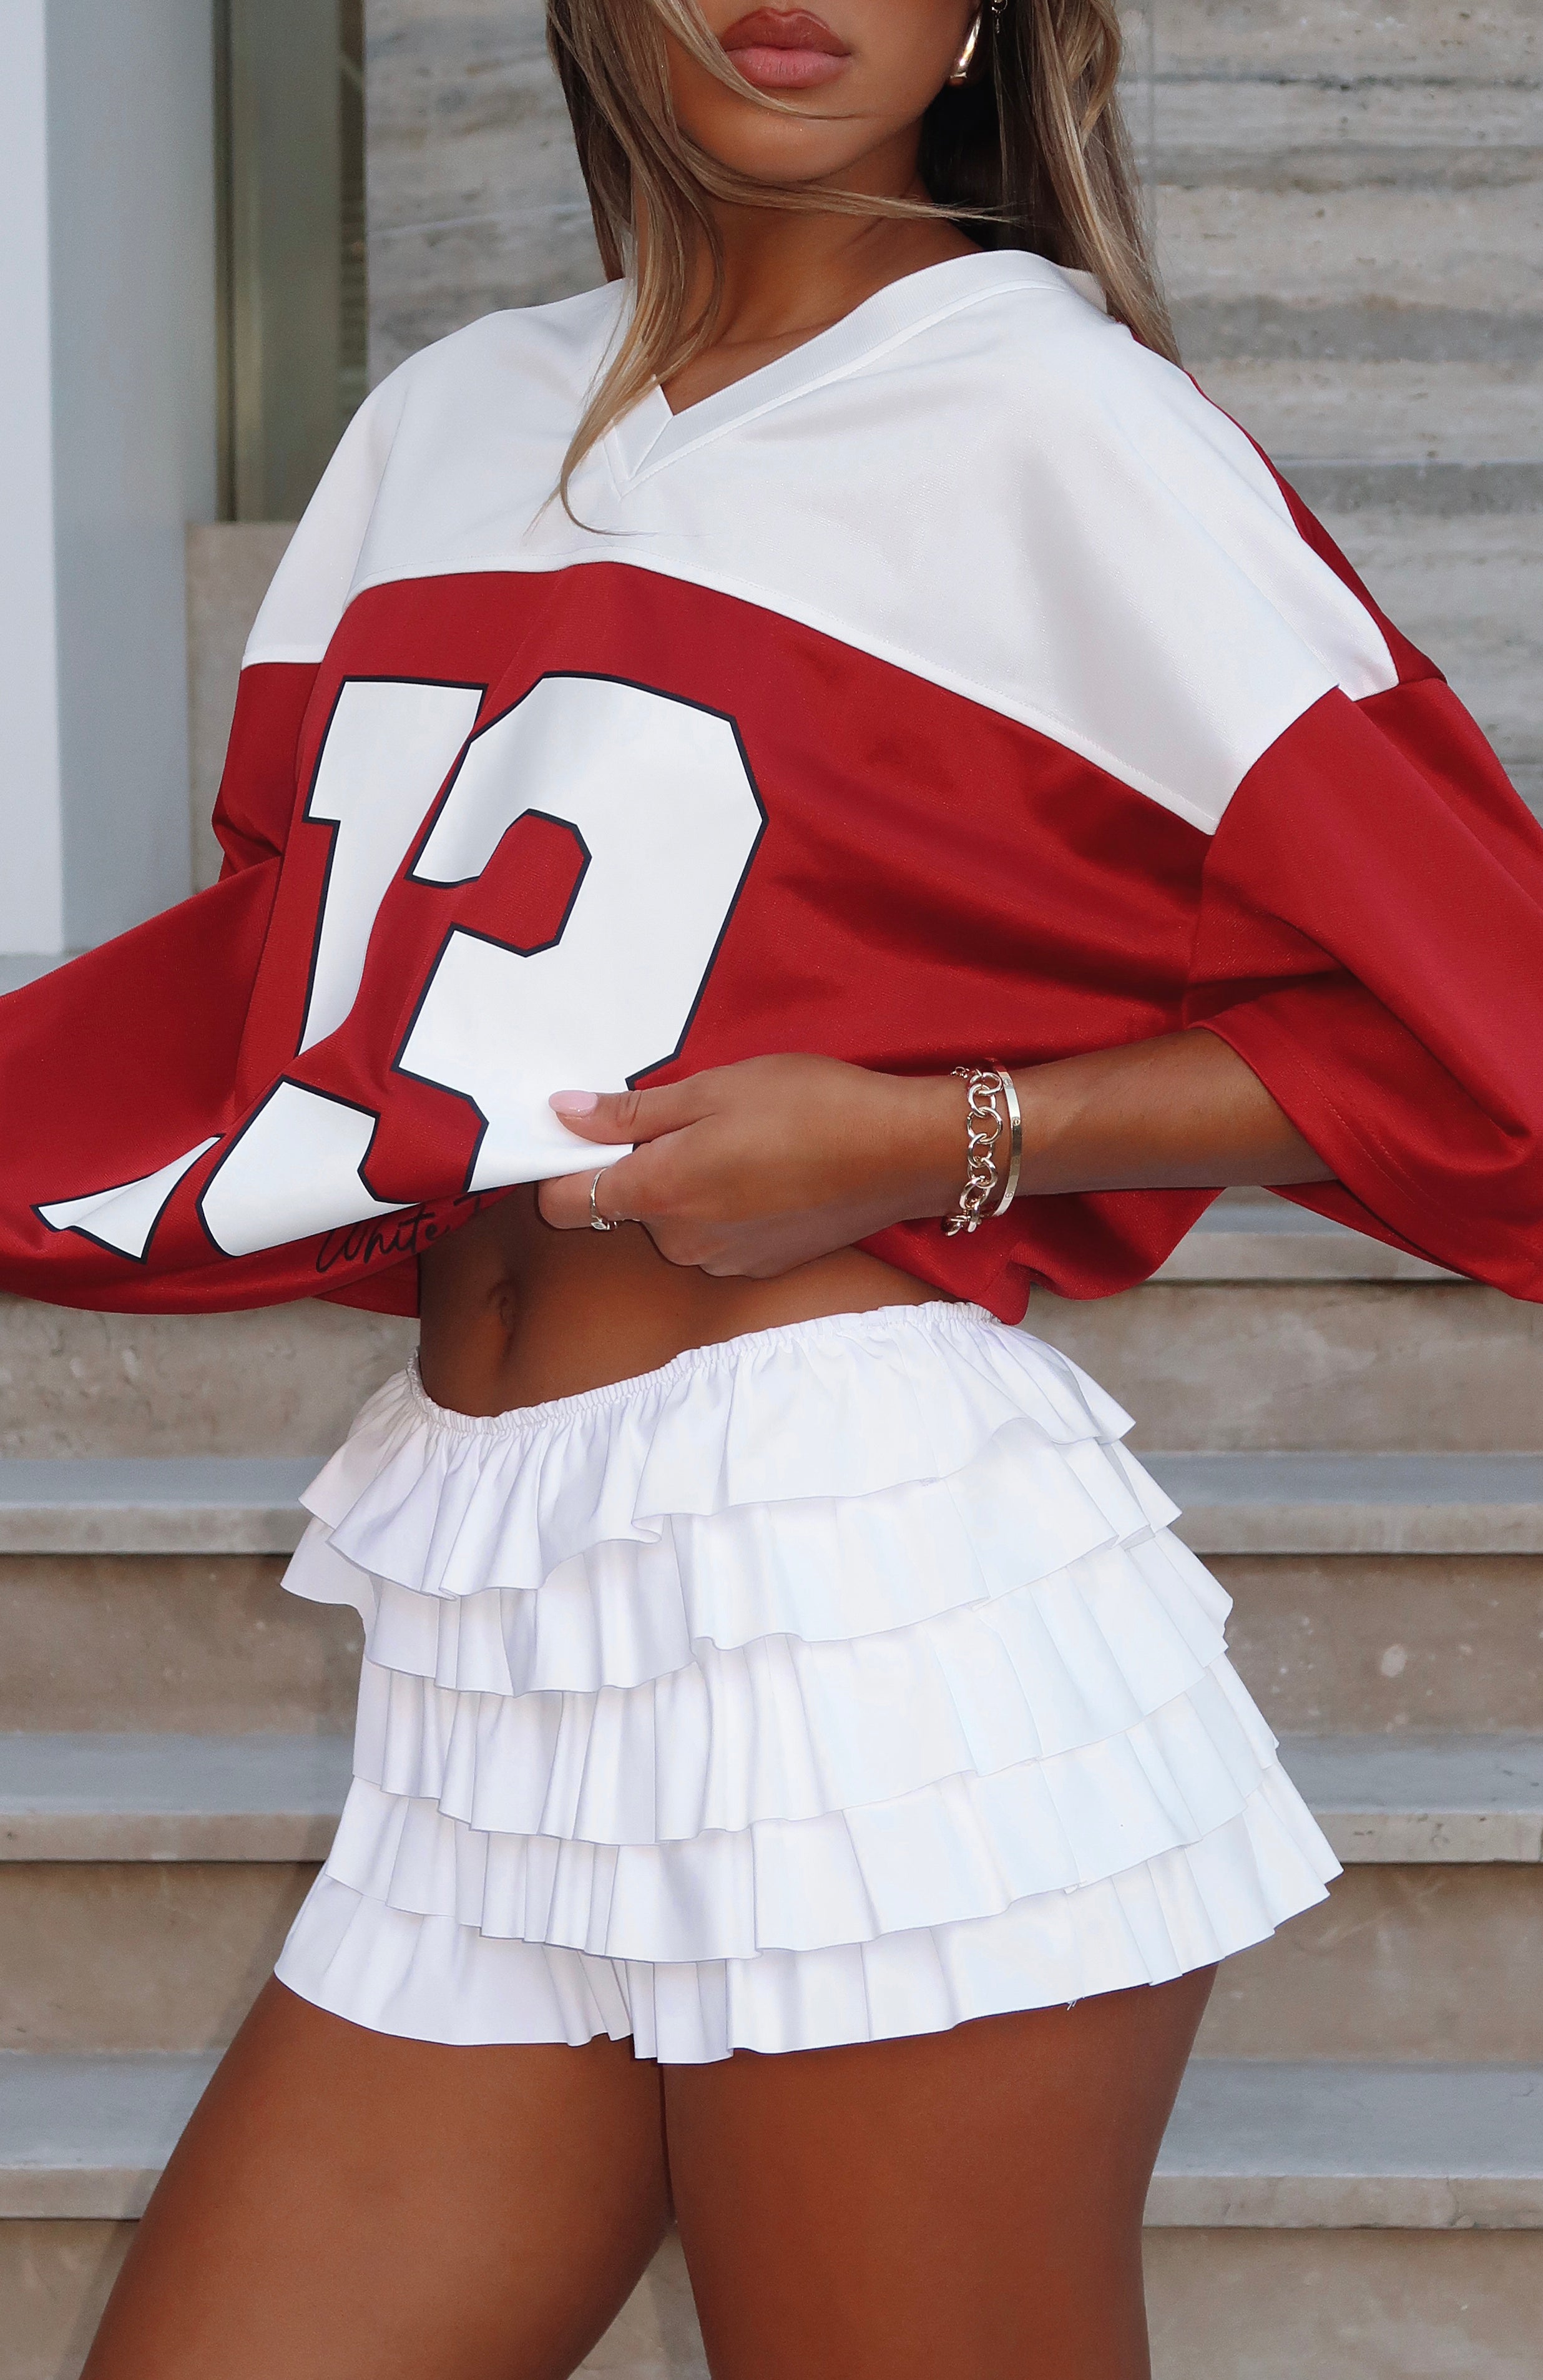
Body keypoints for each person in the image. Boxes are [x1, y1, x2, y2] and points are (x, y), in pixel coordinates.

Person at [0, 1, 1531, 2373]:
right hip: (496, 1614)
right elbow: (298, 988)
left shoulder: (1058, 425)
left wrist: (947, 1135)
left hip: (859, 1605)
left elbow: (1485, 1007)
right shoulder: (441, 423)